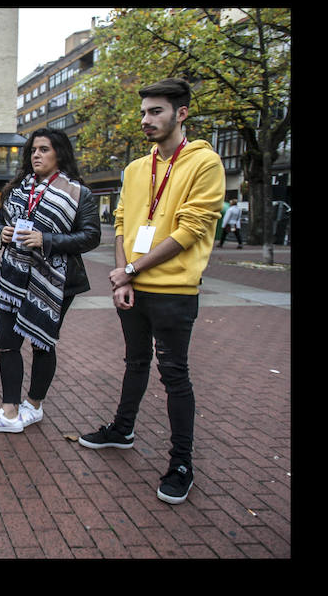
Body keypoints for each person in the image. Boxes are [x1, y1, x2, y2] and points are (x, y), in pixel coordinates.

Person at [78, 78, 225, 506]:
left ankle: (182, 463)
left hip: (175, 289)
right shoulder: (137, 168)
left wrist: (131, 270)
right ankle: (122, 430)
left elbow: (191, 229)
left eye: (155, 111)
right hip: (133, 284)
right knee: (135, 361)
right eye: (143, 112)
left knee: (174, 373)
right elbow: (122, 220)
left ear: (181, 114)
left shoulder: (205, 163)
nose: (146, 120)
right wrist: (124, 273)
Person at [0, 128, 101, 433]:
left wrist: (47, 239)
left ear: (60, 153)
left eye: (44, 149)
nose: (36, 155)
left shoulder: (77, 192)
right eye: (33, 150)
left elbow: (91, 236)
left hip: (55, 281)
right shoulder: (18, 188)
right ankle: (9, 411)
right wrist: (1, 229)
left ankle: (34, 405)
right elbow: (1, 218)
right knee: (6, 341)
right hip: (14, 276)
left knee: (42, 343)